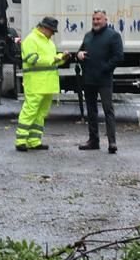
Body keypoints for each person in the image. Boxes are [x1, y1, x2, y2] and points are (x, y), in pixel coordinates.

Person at [15, 16, 69, 152]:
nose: (52, 34)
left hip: (47, 84)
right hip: (35, 83)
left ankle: (34, 141)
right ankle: (21, 140)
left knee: (41, 113)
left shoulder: (48, 42)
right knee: (30, 111)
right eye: (52, 31)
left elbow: (51, 62)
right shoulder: (31, 40)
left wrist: (62, 58)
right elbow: (33, 59)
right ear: (44, 28)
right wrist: (55, 58)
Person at [76, 9, 125, 153]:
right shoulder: (88, 36)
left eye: (99, 19)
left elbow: (118, 56)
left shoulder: (113, 36)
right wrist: (78, 55)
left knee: (108, 110)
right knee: (91, 111)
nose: (96, 22)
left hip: (104, 79)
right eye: (94, 19)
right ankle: (93, 141)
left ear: (105, 20)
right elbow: (80, 52)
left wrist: (105, 68)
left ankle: (112, 142)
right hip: (89, 79)